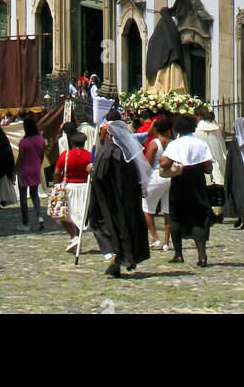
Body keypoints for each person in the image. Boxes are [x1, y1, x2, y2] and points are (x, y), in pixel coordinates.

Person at [88, 119, 151, 276]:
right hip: (128, 198)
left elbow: (100, 175)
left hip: (109, 199)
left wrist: (91, 170)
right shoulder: (129, 152)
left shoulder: (108, 150)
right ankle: (123, 257)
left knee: (104, 226)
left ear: (110, 134)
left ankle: (115, 257)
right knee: (124, 227)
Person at [159, 113, 213, 268]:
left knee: (176, 217)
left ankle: (178, 254)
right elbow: (208, 168)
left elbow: (164, 162)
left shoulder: (176, 144)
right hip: (198, 182)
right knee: (199, 217)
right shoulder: (200, 143)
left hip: (180, 181)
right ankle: (202, 256)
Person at [52, 130, 92, 252]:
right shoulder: (90, 156)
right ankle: (77, 236)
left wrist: (55, 184)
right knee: (80, 213)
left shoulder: (66, 155)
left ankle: (74, 236)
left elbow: (57, 172)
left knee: (64, 213)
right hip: (84, 187)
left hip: (69, 186)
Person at [142, 115, 172, 250]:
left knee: (147, 208)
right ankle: (166, 241)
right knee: (167, 210)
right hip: (169, 177)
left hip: (156, 176)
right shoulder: (171, 142)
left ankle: (155, 238)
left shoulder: (155, 143)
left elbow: (147, 164)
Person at [16, 115, 46, 232]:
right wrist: (38, 164)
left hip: (24, 170)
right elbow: (42, 155)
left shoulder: (23, 142)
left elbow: (21, 158)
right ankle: (39, 216)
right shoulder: (40, 139)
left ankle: (25, 223)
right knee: (35, 195)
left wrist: (14, 171)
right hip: (35, 169)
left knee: (23, 198)